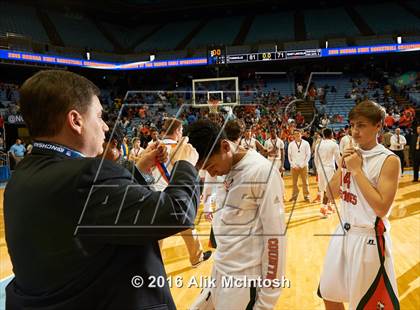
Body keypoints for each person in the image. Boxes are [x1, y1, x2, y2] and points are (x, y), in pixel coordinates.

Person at [4, 70, 200, 310]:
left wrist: (138, 170)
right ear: (76, 121)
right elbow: (177, 212)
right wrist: (186, 164)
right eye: (99, 116)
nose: (106, 126)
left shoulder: (23, 175)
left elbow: (94, 215)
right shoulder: (88, 174)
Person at [188, 120, 286, 310]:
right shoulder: (224, 166)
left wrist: (266, 302)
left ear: (225, 146)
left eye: (210, 166)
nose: (212, 174)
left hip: (244, 280)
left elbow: (275, 239)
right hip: (219, 271)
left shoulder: (262, 172)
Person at [319, 100, 400, 309]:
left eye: (361, 125)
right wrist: (343, 167)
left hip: (369, 239)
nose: (355, 131)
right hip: (343, 233)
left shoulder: (389, 160)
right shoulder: (351, 155)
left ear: (378, 126)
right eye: (353, 125)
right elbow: (329, 194)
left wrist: (356, 171)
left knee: (365, 304)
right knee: (329, 294)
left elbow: (381, 208)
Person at [153, 117, 212, 267]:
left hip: (153, 193)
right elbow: (189, 170)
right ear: (178, 131)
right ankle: (196, 258)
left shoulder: (151, 145)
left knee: (157, 233)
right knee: (187, 226)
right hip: (174, 192)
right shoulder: (181, 148)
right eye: (181, 130)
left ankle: (153, 264)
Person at [314, 128, 340, 217]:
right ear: (331, 134)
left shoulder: (318, 144)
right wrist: (342, 168)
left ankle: (328, 206)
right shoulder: (334, 144)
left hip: (320, 169)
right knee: (328, 190)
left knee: (323, 189)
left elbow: (315, 159)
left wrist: (318, 169)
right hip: (329, 169)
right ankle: (323, 207)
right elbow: (338, 159)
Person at [288, 129, 311, 202]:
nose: (297, 135)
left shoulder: (306, 143)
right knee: (294, 183)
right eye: (295, 134)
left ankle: (306, 196)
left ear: (301, 134)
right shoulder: (291, 144)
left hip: (304, 166)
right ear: (293, 135)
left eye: (298, 133)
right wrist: (293, 165)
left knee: (305, 182)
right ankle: (294, 196)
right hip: (294, 166)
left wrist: (302, 165)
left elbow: (308, 155)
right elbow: (289, 156)